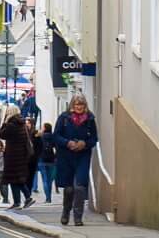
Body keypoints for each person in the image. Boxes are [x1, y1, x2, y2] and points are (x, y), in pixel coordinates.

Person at [53, 93, 100, 227]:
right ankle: (66, 211)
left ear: (85, 105)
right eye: (77, 104)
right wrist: (67, 143)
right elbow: (56, 136)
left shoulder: (90, 119)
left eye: (81, 104)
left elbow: (94, 138)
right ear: (72, 105)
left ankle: (78, 217)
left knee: (80, 187)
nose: (79, 107)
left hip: (82, 156)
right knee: (68, 189)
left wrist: (84, 144)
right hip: (66, 156)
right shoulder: (64, 118)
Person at [0, 105, 33, 209]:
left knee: (14, 179)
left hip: (13, 156)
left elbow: (1, 135)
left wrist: (4, 122)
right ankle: (19, 201)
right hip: (20, 156)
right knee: (15, 180)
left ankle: (26, 198)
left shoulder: (11, 124)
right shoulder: (21, 124)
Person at [36, 121, 57, 203]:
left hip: (42, 159)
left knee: (44, 179)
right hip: (51, 160)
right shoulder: (53, 137)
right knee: (49, 180)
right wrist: (55, 157)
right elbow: (57, 148)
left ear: (44, 128)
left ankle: (47, 198)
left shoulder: (40, 137)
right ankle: (49, 197)